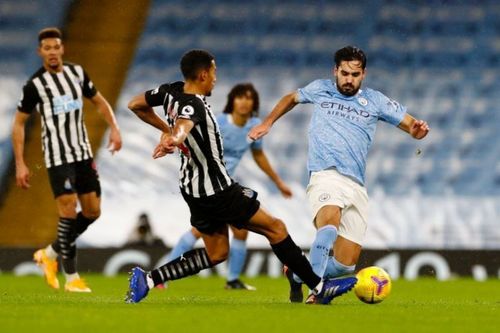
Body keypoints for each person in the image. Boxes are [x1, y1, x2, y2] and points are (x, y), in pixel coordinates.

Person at [124, 49, 356, 304]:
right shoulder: (194, 106)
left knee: (216, 253)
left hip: (193, 190)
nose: (215, 78)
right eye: (213, 73)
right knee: (276, 228)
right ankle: (319, 287)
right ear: (203, 75)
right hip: (218, 191)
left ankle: (147, 280)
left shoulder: (169, 91)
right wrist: (173, 137)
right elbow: (183, 127)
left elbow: (135, 104)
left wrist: (165, 130)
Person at [249, 46, 430, 304]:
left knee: (345, 266)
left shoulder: (375, 101)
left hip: (356, 184)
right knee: (329, 226)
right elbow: (291, 97)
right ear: (335, 71)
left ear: (363, 74)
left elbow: (412, 125)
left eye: (355, 74)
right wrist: (267, 123)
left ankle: (297, 275)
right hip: (326, 174)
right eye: (344, 73)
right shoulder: (321, 88)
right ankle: (317, 292)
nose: (348, 79)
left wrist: (418, 130)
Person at [12, 27, 122, 292]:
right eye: (46, 48)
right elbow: (19, 123)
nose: (52, 52)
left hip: (83, 153)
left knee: (93, 211)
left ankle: (49, 253)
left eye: (56, 47)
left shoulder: (77, 73)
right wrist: (20, 162)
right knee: (68, 210)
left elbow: (99, 101)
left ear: (62, 49)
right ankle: (72, 279)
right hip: (57, 157)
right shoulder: (35, 85)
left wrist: (115, 128)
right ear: (41, 52)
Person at [167, 83, 292, 291]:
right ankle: (166, 273)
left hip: (228, 187)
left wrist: (278, 182)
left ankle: (232, 280)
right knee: (199, 231)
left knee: (241, 232)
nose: (244, 102)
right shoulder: (218, 122)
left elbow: (258, 155)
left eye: (249, 98)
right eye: (240, 97)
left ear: (254, 103)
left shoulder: (254, 124)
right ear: (232, 101)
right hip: (209, 187)